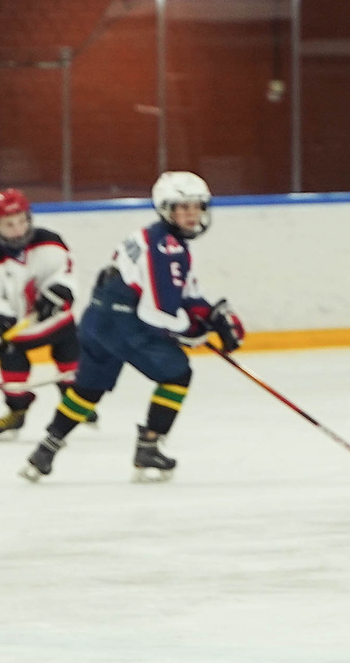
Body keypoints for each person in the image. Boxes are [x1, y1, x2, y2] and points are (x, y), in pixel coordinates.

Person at [20, 171, 244, 485]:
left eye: (196, 207)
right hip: (125, 323)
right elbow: (159, 312)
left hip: (99, 319)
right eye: (183, 207)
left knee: (90, 387)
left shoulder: (159, 238)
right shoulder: (167, 247)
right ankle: (149, 446)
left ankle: (46, 450)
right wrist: (196, 331)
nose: (192, 214)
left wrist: (212, 314)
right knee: (177, 373)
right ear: (166, 209)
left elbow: (185, 293)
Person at [0, 187, 79, 440]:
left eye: (22, 221)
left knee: (71, 361)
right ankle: (17, 412)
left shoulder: (50, 240)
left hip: (56, 322)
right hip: (18, 334)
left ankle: (75, 402)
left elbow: (65, 271)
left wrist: (60, 290)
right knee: (12, 371)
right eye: (9, 224)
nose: (18, 230)